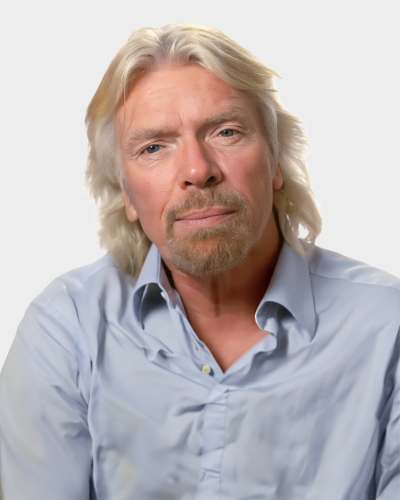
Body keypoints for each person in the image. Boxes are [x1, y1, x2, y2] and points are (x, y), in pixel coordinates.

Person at [0, 23, 399, 500]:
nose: (197, 170)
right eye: (154, 147)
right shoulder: (68, 330)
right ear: (125, 193)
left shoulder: (386, 328)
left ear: (275, 163)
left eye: (226, 131)